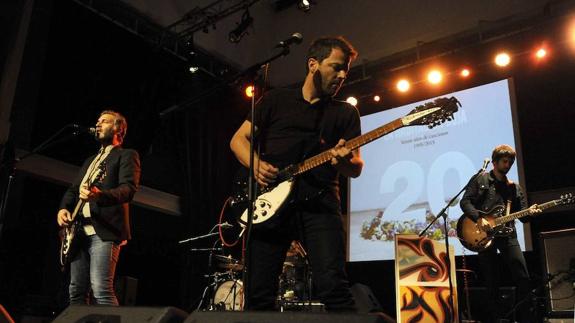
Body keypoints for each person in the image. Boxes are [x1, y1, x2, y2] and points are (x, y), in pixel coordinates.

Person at [229, 36, 363, 311]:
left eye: (345, 71)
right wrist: (255, 165)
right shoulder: (276, 99)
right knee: (258, 292)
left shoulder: (346, 113)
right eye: (336, 67)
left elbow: (356, 167)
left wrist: (342, 162)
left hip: (320, 204)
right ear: (313, 64)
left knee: (334, 287)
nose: (341, 76)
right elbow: (238, 140)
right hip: (269, 203)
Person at [57, 110, 141, 305]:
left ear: (118, 129)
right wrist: (63, 208)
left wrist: (99, 195)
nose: (98, 124)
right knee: (76, 291)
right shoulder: (90, 160)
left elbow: (128, 189)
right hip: (78, 232)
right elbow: (73, 190)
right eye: (98, 121)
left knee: (101, 289)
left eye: (104, 121)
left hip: (104, 231)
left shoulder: (127, 155)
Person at [460, 144, 539, 322]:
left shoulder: (514, 188)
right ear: (494, 162)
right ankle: (496, 318)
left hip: (508, 235)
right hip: (484, 236)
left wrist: (530, 214)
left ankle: (527, 318)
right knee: (491, 281)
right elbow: (465, 202)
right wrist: (479, 219)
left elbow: (524, 216)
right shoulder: (480, 180)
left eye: (511, 161)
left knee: (523, 277)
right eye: (505, 161)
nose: (508, 164)